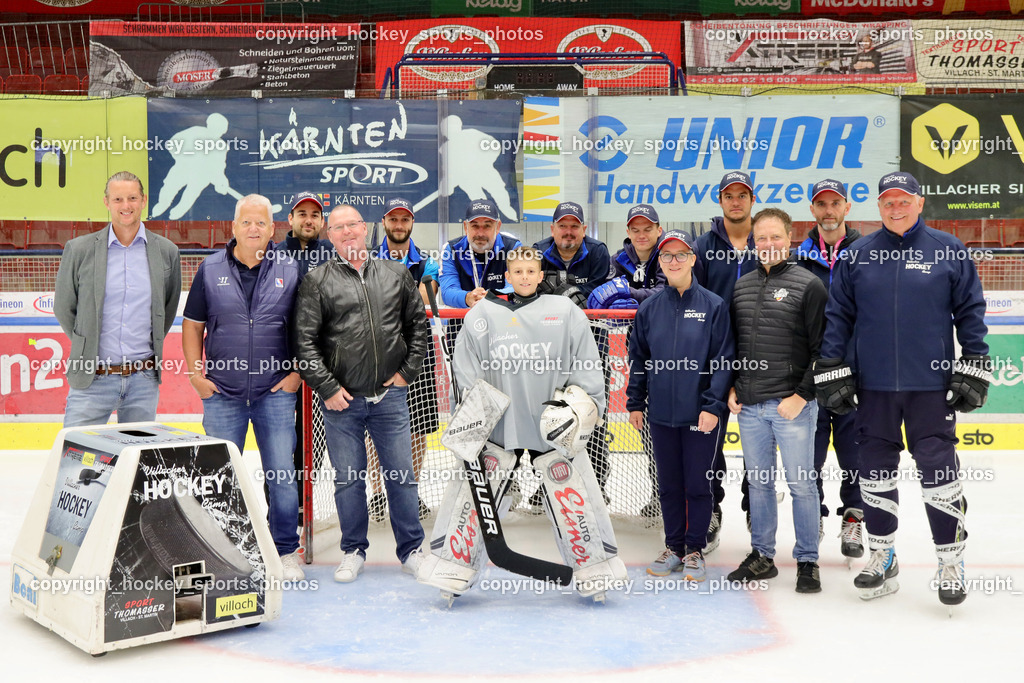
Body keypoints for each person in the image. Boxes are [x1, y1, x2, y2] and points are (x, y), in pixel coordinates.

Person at [815, 172, 990, 607]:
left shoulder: (948, 250)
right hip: (873, 388)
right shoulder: (858, 255)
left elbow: (970, 310)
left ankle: (951, 561)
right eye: (888, 202)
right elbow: (839, 316)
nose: (896, 208)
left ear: (920, 202)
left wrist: (975, 362)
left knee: (940, 477)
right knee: (874, 473)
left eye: (904, 200)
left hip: (930, 387)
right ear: (879, 207)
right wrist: (831, 365)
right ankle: (882, 555)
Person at [419, 247, 626, 601]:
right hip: (499, 424)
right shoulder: (482, 314)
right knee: (474, 491)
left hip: (553, 423)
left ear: (540, 274)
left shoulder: (565, 312)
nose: (525, 277)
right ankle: (452, 567)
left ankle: (595, 569)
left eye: (532, 271)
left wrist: (583, 406)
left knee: (572, 493)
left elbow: (588, 362)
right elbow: (467, 370)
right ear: (508, 275)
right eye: (518, 271)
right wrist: (471, 417)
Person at [294, 204, 429, 583]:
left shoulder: (396, 273)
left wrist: (405, 374)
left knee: (401, 476)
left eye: (353, 225)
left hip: (391, 399)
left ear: (365, 228)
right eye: (338, 228)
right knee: (348, 480)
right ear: (330, 236)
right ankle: (353, 550)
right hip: (342, 402)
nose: (347, 232)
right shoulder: (317, 281)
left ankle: (412, 550)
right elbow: (304, 344)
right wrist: (328, 388)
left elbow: (418, 329)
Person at [181, 194, 304, 581]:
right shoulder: (209, 268)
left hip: (275, 393)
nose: (254, 229)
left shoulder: (290, 268)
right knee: (217, 478)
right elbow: (192, 325)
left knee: (282, 476)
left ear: (273, 229)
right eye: (246, 222)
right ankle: (221, 549)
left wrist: (296, 375)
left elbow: (305, 327)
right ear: (233, 227)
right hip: (222, 394)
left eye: (261, 223)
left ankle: (285, 550)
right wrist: (195, 375)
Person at [726, 208, 828, 594]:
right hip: (750, 406)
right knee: (760, 484)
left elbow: (824, 350)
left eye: (775, 237)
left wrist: (802, 395)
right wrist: (733, 387)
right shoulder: (741, 286)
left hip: (792, 407)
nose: (767, 245)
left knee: (802, 485)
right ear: (753, 240)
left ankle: (807, 560)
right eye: (761, 238)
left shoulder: (810, 285)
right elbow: (734, 345)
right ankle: (762, 556)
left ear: (790, 238)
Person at [627, 231, 734, 582]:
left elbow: (723, 360)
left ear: (693, 259)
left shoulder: (714, 306)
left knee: (698, 485)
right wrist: (635, 402)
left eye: (681, 254)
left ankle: (694, 550)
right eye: (667, 255)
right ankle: (673, 546)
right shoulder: (648, 309)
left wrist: (712, 405)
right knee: (669, 484)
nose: (674, 261)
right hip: (660, 414)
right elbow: (639, 359)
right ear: (659, 262)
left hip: (699, 414)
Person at [54, 171, 181, 428]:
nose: (126, 206)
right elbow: (64, 307)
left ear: (144, 200)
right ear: (106, 202)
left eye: (132, 198)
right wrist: (86, 343)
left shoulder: (167, 252)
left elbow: (166, 309)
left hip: (143, 381)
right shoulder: (79, 249)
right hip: (93, 378)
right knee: (76, 463)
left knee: (136, 463)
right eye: (118, 199)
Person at [794, 179, 864, 560]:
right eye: (821, 204)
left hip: (856, 374)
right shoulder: (799, 259)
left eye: (834, 203)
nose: (828, 211)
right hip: (813, 377)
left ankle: (854, 518)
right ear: (813, 210)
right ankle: (814, 515)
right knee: (811, 455)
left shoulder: (868, 252)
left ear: (846, 208)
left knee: (855, 455)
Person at [588, 204, 668, 523]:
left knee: (664, 425)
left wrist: (629, 293)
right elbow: (605, 302)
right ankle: (652, 493)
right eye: (635, 229)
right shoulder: (617, 260)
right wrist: (626, 301)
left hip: (670, 350)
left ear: (658, 230)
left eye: (647, 228)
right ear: (628, 232)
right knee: (643, 421)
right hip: (637, 349)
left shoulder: (669, 252)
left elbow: (666, 292)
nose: (641, 234)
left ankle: (667, 494)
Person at [694, 171, 761, 550]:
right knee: (709, 441)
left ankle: (757, 507)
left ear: (752, 199)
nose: (736, 201)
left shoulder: (765, 240)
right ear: (720, 200)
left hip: (759, 356)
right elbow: (696, 301)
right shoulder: (703, 245)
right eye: (729, 195)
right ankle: (711, 510)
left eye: (742, 195)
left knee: (757, 442)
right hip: (714, 359)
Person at [531, 201, 611, 512]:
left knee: (591, 415)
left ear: (583, 230)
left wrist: (559, 291)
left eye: (574, 226)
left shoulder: (598, 251)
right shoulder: (537, 250)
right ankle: (546, 483)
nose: (568, 231)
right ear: (552, 230)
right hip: (546, 348)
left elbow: (598, 294)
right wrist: (568, 294)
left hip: (590, 345)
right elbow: (528, 291)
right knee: (549, 415)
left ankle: (597, 484)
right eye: (562, 226)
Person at [369, 197, 440, 522]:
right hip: (373, 353)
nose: (399, 225)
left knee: (418, 427)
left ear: (412, 223)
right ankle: (378, 495)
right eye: (393, 219)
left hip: (418, 354)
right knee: (373, 427)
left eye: (405, 219)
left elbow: (426, 298)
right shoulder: (367, 258)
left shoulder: (427, 262)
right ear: (385, 221)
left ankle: (409, 491)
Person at [438, 198, 521, 309]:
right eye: (475, 226)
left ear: (498, 227)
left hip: (501, 322)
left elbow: (516, 288)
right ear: (465, 227)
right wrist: (468, 298)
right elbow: (447, 292)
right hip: (461, 324)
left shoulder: (513, 248)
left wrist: (490, 297)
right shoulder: (451, 249)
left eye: (487, 226)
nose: (480, 233)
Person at [275, 191, 334, 276]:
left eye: (314, 216)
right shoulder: (274, 254)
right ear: (291, 219)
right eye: (302, 214)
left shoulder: (333, 253)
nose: (309, 221)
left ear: (322, 221)